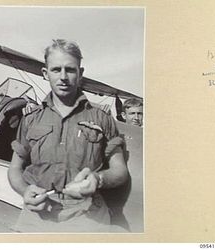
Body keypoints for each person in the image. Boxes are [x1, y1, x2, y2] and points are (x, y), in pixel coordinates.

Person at [8, 39, 128, 232]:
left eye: (70, 70)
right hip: (37, 217)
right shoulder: (31, 119)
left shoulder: (101, 118)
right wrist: (25, 190)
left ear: (80, 73)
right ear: (46, 74)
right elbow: (15, 168)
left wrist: (98, 179)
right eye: (56, 70)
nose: (63, 77)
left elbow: (120, 171)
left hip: (88, 217)